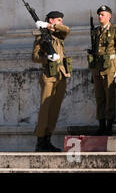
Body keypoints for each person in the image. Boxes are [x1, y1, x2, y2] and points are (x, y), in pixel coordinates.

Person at [32, 11, 71, 152]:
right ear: (51, 19)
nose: (61, 22)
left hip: (61, 75)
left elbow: (67, 30)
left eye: (61, 20)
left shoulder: (58, 33)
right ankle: (40, 141)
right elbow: (35, 56)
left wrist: (49, 25)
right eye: (58, 20)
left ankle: (48, 139)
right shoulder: (41, 36)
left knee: (54, 109)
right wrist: (47, 57)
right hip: (48, 76)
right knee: (45, 109)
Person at [91, 5, 116, 135]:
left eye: (103, 14)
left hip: (110, 68)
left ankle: (109, 125)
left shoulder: (115, 30)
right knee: (99, 97)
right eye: (99, 14)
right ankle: (101, 125)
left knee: (109, 96)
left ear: (109, 16)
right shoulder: (96, 31)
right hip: (97, 68)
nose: (100, 17)